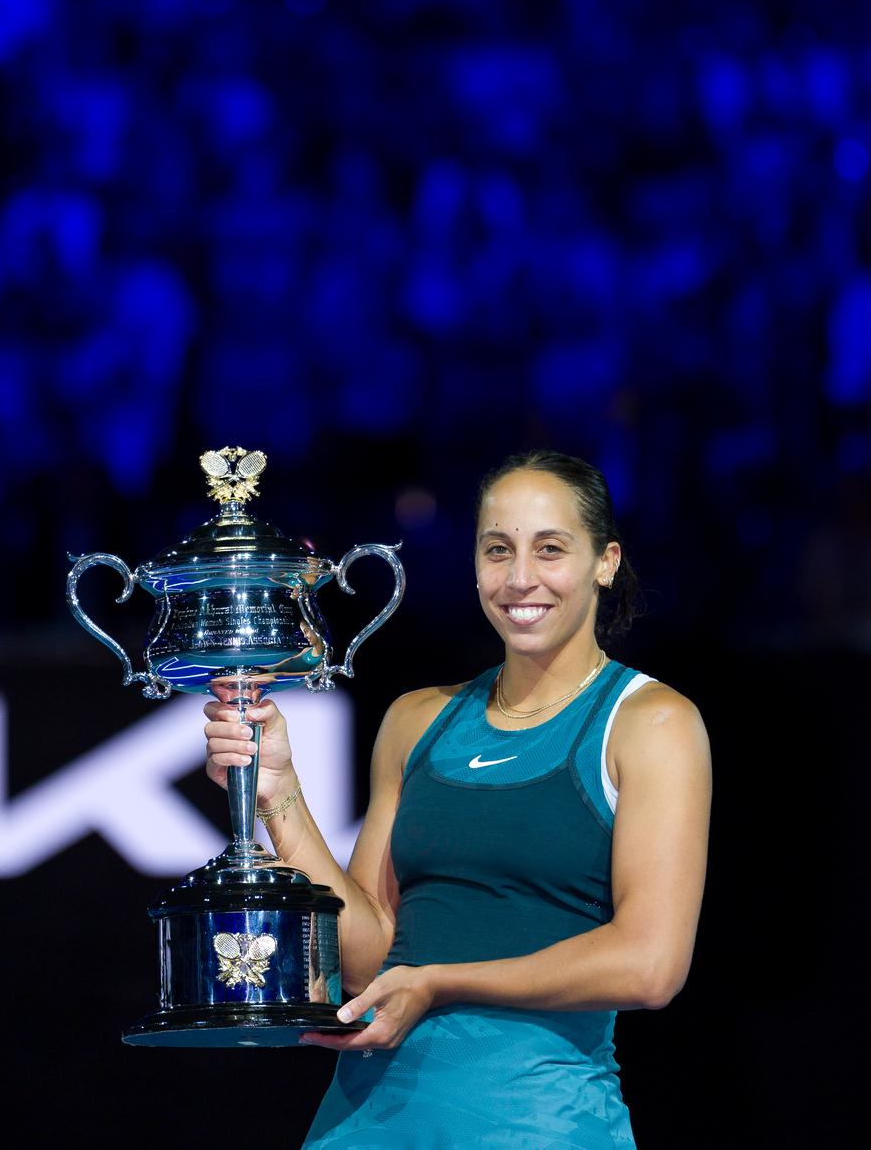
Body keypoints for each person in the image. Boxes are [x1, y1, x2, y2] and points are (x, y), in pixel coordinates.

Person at [204, 449, 712, 1148]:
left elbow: (650, 965)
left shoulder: (651, 722)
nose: (520, 578)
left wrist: (438, 982)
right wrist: (278, 793)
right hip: (364, 1125)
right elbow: (369, 955)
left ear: (606, 560)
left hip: (539, 1125)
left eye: (551, 549)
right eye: (498, 549)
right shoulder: (416, 720)